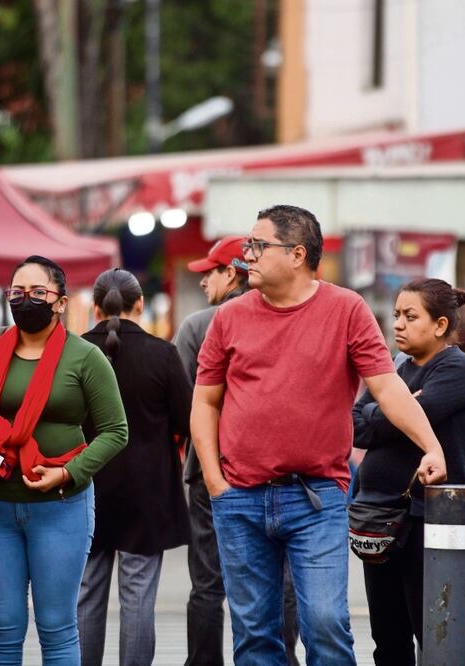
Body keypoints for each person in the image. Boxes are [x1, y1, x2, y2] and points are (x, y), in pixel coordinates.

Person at [191, 204, 447, 664]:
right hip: (239, 498)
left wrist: (431, 446)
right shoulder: (228, 318)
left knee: (326, 624)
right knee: (254, 634)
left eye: (258, 245)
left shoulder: (346, 309)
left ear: (296, 254)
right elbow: (205, 402)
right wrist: (215, 482)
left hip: (317, 496)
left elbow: (387, 388)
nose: (246, 255)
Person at [0, 255, 128, 665]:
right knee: (2, 628)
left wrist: (68, 472)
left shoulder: (85, 357)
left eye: (37, 292)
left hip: (60, 508)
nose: (25, 300)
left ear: (60, 302)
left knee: (56, 627)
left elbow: (116, 431)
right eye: (17, 292)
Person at [175, 236, 300, 666]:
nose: (204, 281)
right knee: (279, 578)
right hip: (276, 469)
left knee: (208, 582)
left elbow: (183, 404)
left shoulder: (196, 326)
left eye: (209, 272)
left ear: (232, 272)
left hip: (211, 470)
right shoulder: (284, 316)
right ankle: (282, 657)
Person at [352, 278, 465, 665]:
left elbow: (402, 420)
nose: (398, 325)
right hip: (382, 518)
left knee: (434, 635)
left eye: (411, 316)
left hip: (429, 522)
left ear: (440, 325)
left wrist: (391, 409)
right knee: (387, 637)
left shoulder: (458, 369)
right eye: (396, 316)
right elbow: (356, 425)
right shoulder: (393, 369)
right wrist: (397, 404)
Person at [76, 268, 192, 666]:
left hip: (83, 488)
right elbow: (185, 421)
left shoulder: (74, 353)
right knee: (138, 595)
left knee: (87, 591)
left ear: (94, 307)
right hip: (147, 491)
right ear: (139, 304)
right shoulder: (163, 354)